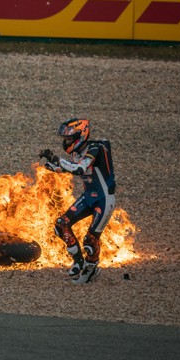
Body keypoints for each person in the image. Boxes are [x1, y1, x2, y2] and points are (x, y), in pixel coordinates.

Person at [39, 118, 116, 284]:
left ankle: (91, 269)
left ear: (80, 135)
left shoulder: (96, 148)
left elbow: (79, 168)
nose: (66, 142)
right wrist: (53, 167)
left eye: (68, 138)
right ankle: (79, 261)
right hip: (88, 197)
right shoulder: (76, 153)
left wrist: (55, 159)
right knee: (61, 225)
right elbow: (72, 168)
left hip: (104, 200)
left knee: (90, 240)